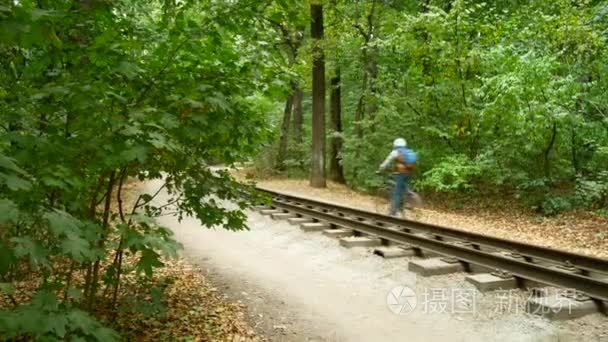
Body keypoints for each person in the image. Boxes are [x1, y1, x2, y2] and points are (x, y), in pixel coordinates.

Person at [376, 138, 417, 217]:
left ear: (395, 145)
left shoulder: (395, 152)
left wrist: (380, 169)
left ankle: (395, 211)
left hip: (400, 173)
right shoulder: (409, 151)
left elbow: (386, 162)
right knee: (404, 187)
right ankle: (408, 198)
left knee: (397, 192)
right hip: (409, 172)